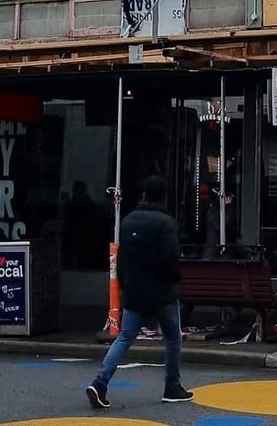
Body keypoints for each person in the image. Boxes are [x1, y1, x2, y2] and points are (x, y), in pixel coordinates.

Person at [86, 175, 192, 409]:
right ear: (163, 197)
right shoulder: (166, 223)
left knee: (124, 337)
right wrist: (175, 278)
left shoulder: (128, 221)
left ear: (144, 194)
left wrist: (125, 284)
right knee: (172, 337)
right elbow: (171, 259)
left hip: (134, 290)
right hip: (162, 291)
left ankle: (100, 382)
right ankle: (172, 387)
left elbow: (122, 259)